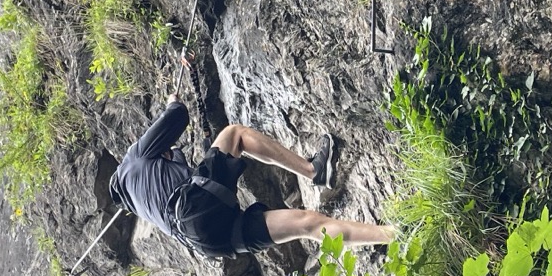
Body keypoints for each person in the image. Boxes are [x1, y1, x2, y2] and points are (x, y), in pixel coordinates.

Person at [109, 101, 397, 258]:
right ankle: (313, 171)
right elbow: (178, 115)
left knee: (308, 224)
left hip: (207, 243)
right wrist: (171, 104)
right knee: (235, 135)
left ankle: (393, 235)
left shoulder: (139, 202)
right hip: (193, 207)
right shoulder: (133, 159)